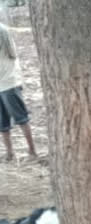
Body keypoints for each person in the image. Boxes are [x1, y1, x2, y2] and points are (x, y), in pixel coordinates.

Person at [0, 22, 37, 162]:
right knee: (3, 123)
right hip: (6, 81)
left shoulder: (1, 30)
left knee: (21, 118)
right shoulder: (3, 28)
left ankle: (32, 152)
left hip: (8, 82)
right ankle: (10, 153)